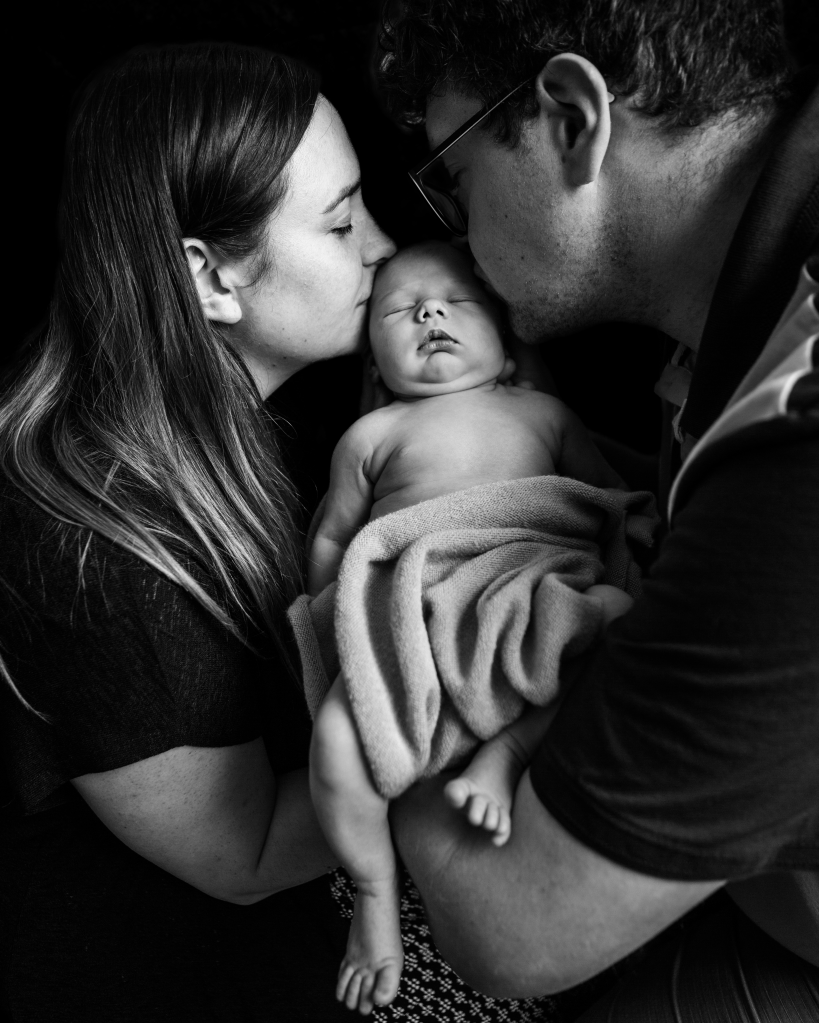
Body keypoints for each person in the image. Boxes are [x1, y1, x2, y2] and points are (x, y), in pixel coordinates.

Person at [374, 0, 819, 1018]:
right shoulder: (738, 305)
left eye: (452, 176)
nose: (453, 234)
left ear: (572, 119)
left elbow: (512, 927)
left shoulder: (796, 458)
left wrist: (389, 623)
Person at [307, 240, 633, 1013]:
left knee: (619, 622)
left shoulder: (542, 412)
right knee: (334, 741)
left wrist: (629, 554)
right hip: (416, 618)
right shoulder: (372, 436)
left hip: (529, 595)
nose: (429, 312)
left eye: (458, 300)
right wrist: (335, 615)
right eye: (399, 308)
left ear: (508, 335)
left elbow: (607, 498)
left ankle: (507, 753)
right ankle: (375, 890)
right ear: (373, 362)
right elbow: (333, 539)